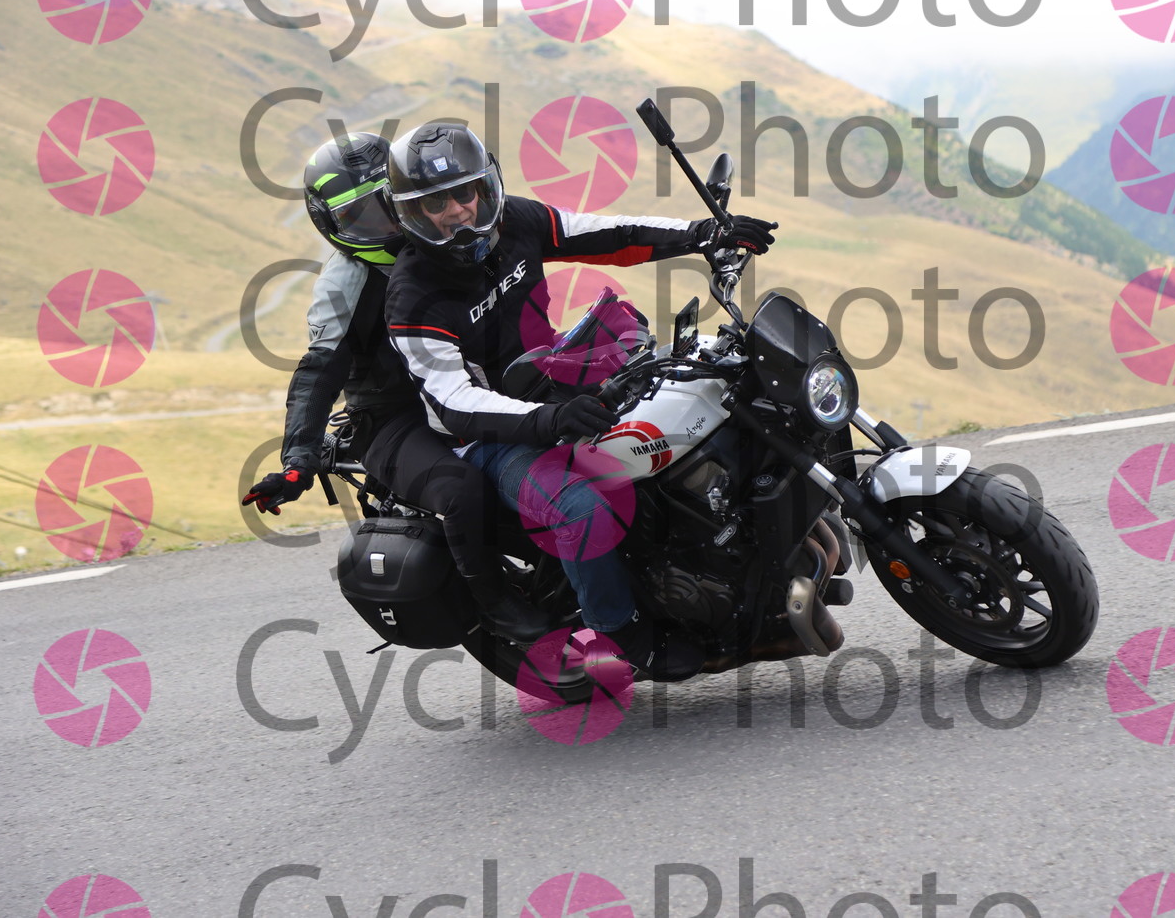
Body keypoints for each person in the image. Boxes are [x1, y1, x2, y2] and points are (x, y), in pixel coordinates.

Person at [382, 120, 776, 681]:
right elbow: (455, 403)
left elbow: (604, 233)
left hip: (551, 382)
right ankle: (622, 634)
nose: (457, 211)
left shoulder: (515, 220)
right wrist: (550, 420)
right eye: (435, 203)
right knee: (581, 508)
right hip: (489, 436)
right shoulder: (412, 295)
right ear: (412, 215)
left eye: (463, 193)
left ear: (484, 188)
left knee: (692, 393)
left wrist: (701, 234)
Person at [241, 131, 551, 646]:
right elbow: (318, 373)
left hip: (472, 386)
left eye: (387, 203)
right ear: (331, 226)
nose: (384, 224)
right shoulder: (344, 284)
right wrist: (298, 460)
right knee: (459, 489)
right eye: (360, 217)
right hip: (395, 419)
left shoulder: (453, 237)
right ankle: (496, 603)